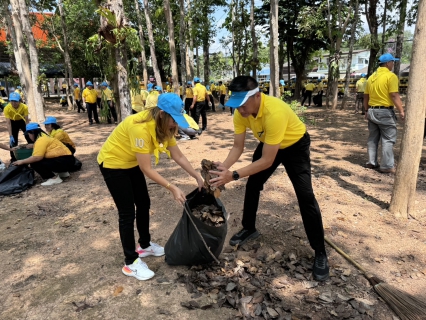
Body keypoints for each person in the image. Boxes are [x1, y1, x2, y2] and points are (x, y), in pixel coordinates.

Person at [209, 76, 329, 281]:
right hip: (269, 143)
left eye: (242, 104)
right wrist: (224, 169)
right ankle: (249, 228)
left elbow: (266, 161)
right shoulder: (241, 113)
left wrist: (234, 175)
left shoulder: (275, 112)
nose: (240, 110)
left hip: (295, 146)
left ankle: (320, 252)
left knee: (305, 196)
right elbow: (238, 147)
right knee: (253, 184)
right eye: (236, 105)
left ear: (257, 96)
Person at [97, 93, 204, 281]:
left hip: (130, 163)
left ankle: (144, 245)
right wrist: (172, 187)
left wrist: (196, 175)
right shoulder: (140, 128)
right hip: (113, 164)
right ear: (161, 114)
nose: (175, 125)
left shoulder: (165, 128)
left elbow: (178, 156)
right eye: (173, 120)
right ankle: (131, 262)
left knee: (144, 203)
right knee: (127, 212)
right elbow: (146, 169)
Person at [364, 53, 404, 174]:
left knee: (373, 138)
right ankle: (386, 166)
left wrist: (366, 110)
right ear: (388, 63)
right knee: (388, 139)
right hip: (385, 111)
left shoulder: (371, 77)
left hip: (372, 111)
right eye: (392, 62)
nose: (393, 64)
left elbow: (366, 96)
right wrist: (401, 111)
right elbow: (393, 94)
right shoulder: (390, 76)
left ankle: (372, 162)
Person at [3, 92, 30, 161]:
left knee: (29, 136)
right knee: (13, 141)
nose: (13, 103)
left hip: (22, 121)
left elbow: (26, 120)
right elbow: (8, 123)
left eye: (15, 101)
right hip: (13, 122)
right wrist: (10, 135)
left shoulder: (24, 107)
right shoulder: (7, 108)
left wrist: (28, 130)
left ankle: (32, 152)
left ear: (19, 101)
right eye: (12, 101)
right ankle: (13, 158)